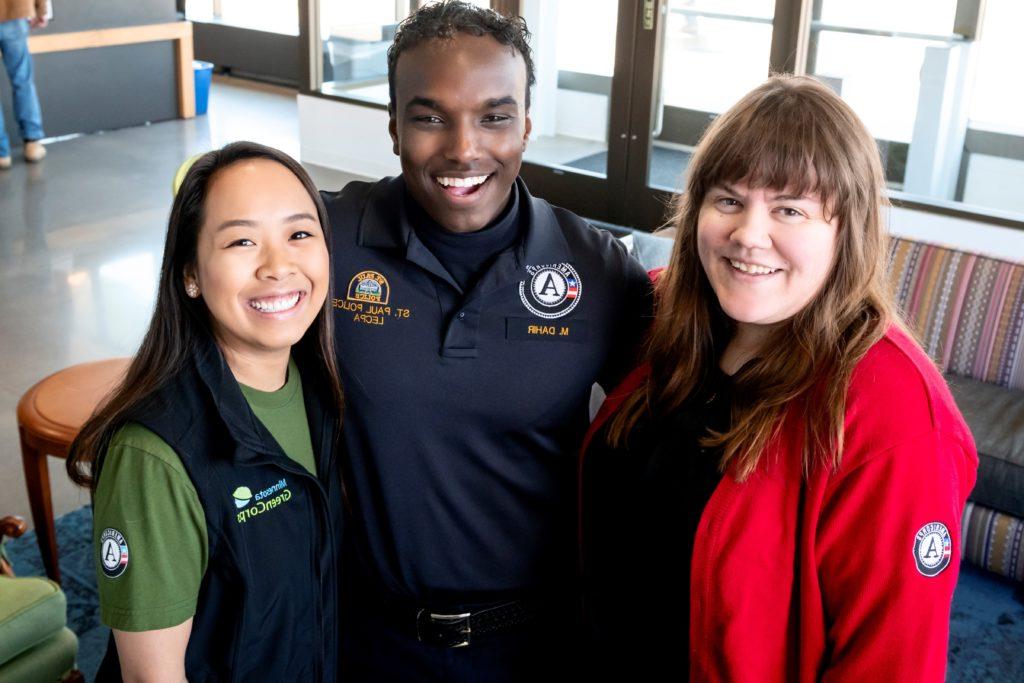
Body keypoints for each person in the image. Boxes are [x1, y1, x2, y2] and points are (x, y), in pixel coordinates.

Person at [580, 75, 978, 682]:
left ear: (848, 231)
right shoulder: (662, 315)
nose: (748, 234)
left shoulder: (894, 414)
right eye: (729, 200)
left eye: (789, 209)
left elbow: (891, 662)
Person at [320, 1, 650, 680]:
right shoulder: (325, 242)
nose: (464, 149)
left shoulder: (599, 271)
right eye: (430, 116)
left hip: (537, 647)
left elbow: (668, 440)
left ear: (527, 125)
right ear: (392, 127)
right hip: (363, 637)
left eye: (495, 117)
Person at [66, 142, 345, 681]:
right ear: (191, 273)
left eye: (300, 234)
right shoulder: (155, 455)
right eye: (242, 241)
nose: (279, 266)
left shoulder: (326, 391)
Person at [0, 0, 47, 169]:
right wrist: (41, 10)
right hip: (15, 11)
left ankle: (1, 153)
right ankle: (32, 143)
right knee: (22, 80)